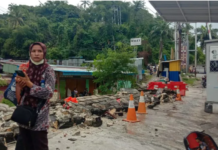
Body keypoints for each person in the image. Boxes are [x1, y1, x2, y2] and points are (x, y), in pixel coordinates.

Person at [15, 42, 55, 150]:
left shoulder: (48, 70)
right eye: (33, 51)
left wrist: (29, 84)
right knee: (25, 146)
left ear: (44, 53)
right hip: (24, 113)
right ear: (30, 53)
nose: (36, 54)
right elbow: (18, 91)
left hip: (39, 116)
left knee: (40, 146)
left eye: (39, 51)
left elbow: (49, 93)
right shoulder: (26, 68)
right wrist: (19, 84)